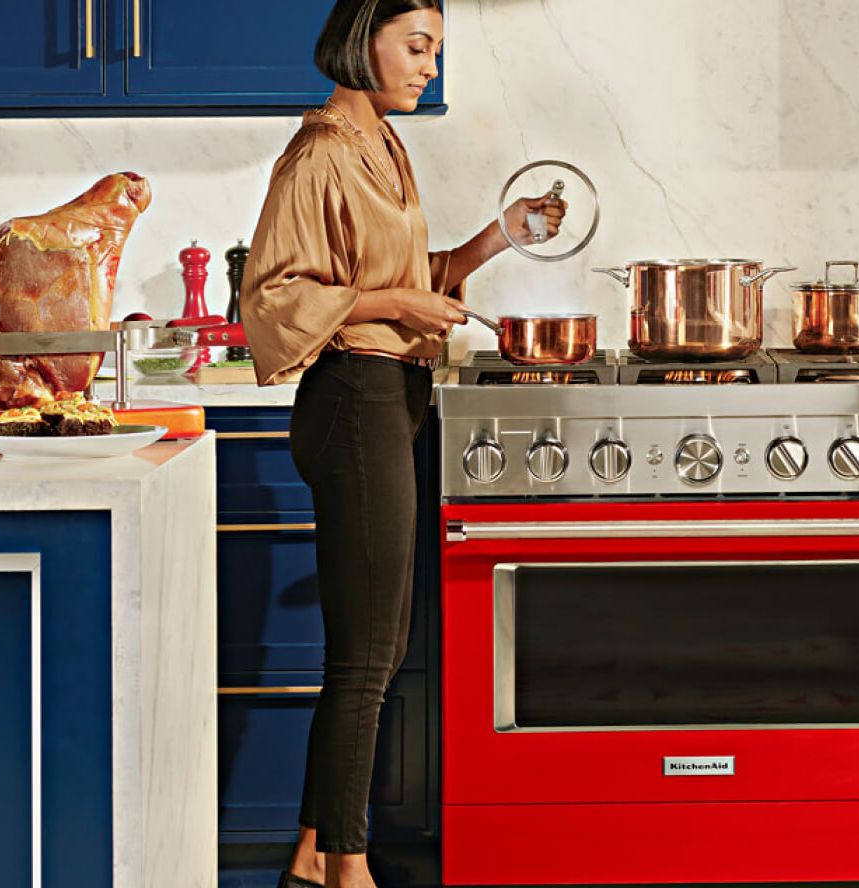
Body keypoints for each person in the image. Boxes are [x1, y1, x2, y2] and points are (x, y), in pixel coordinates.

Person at [235, 2, 559, 886]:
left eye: (435, 53)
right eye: (416, 48)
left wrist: (501, 236)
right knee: (367, 654)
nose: (428, 68)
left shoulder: (380, 143)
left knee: (372, 644)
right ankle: (349, 868)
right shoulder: (319, 154)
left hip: (393, 395)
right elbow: (270, 298)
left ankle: (311, 852)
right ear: (361, 40)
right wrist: (398, 307)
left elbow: (406, 279)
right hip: (352, 398)